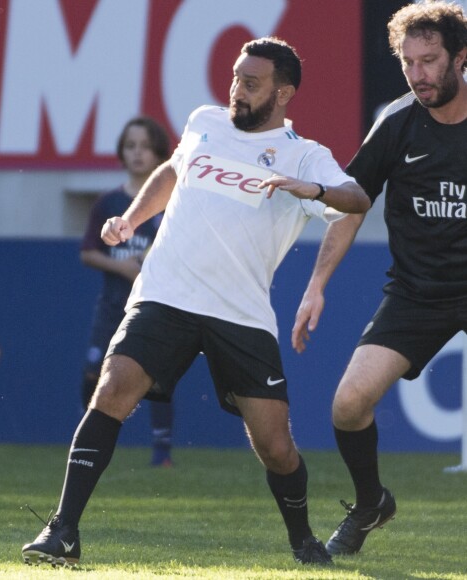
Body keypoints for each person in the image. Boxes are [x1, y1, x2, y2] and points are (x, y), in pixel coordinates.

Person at [22, 36, 370, 568]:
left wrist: (313, 191)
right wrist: (133, 219)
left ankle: (303, 540)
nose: (237, 90)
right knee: (111, 391)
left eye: (251, 83)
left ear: (283, 93)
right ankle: (62, 530)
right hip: (166, 294)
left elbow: (357, 201)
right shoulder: (205, 121)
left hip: (241, 314)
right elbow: (172, 171)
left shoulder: (306, 155)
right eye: (235, 77)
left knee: (275, 447)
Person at [292, 0, 467, 557]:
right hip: (418, 295)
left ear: (461, 58)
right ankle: (371, 503)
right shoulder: (396, 122)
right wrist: (316, 285)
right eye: (407, 62)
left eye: (430, 60)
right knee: (347, 404)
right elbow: (353, 203)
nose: (419, 75)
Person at [80, 115, 174, 467]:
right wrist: (123, 266)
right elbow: (88, 252)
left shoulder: (169, 204)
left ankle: (162, 453)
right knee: (93, 374)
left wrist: (149, 266)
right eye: (131, 146)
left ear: (160, 154)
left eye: (146, 147)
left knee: (158, 378)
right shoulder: (108, 204)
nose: (138, 154)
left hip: (153, 307)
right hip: (112, 306)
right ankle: (86, 442)